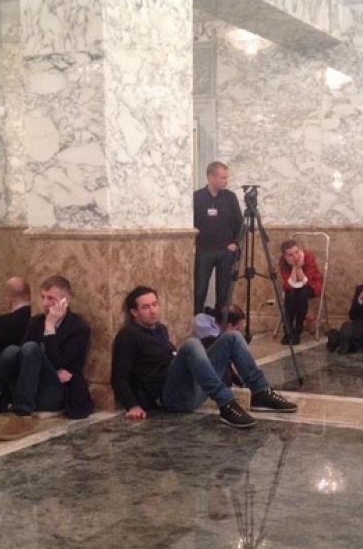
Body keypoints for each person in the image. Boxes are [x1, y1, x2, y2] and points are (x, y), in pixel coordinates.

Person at [111, 286, 297, 430]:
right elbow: (119, 375)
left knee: (232, 337)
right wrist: (132, 405)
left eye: (155, 304)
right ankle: (226, 403)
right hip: (170, 397)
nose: (153, 310)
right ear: (134, 312)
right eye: (145, 307)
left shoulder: (160, 330)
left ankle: (260, 391)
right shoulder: (128, 335)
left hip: (191, 388)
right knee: (192, 344)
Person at [0, 275, 92, 441]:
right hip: (29, 387)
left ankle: (22, 415)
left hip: (57, 394)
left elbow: (58, 363)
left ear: (66, 300)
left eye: (51, 298)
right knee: (12, 351)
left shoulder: (78, 327)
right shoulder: (35, 322)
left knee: (31, 347)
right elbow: (23, 357)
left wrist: (50, 327)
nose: (45, 303)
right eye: (43, 297)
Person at [193, 161, 243, 316]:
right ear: (210, 177)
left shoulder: (230, 197)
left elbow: (240, 223)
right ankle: (197, 322)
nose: (225, 181)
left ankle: (221, 323)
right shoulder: (197, 197)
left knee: (223, 291)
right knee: (199, 290)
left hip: (225, 251)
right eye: (222, 178)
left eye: (226, 178)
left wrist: (235, 243)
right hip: (204, 250)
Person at [278, 239, 324, 344]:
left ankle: (298, 329)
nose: (295, 257)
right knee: (290, 295)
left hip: (312, 284)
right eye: (290, 255)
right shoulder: (283, 262)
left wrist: (298, 268)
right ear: (285, 257)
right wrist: (294, 267)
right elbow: (288, 284)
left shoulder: (308, 257)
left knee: (301, 294)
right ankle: (288, 330)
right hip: (293, 288)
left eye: (296, 252)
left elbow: (307, 282)